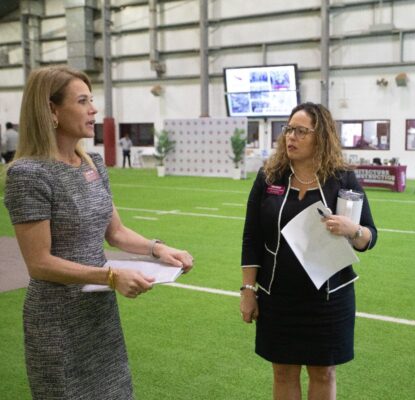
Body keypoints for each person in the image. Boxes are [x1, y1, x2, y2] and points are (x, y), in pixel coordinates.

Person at [3, 65, 194, 399]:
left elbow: (116, 232)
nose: (94, 109)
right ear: (52, 110)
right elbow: (40, 263)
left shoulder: (92, 163)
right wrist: (109, 276)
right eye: (82, 101)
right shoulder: (28, 174)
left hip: (98, 313)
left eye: (92, 100)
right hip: (57, 320)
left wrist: (158, 249)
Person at [240, 102, 377, 400]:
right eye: (289, 130)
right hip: (278, 298)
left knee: (323, 373)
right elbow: (251, 237)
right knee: (283, 372)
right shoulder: (269, 178)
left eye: (302, 131)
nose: (291, 137)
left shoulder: (342, 179)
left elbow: (369, 236)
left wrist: (351, 230)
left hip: (328, 300)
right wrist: (248, 290)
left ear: (321, 136)